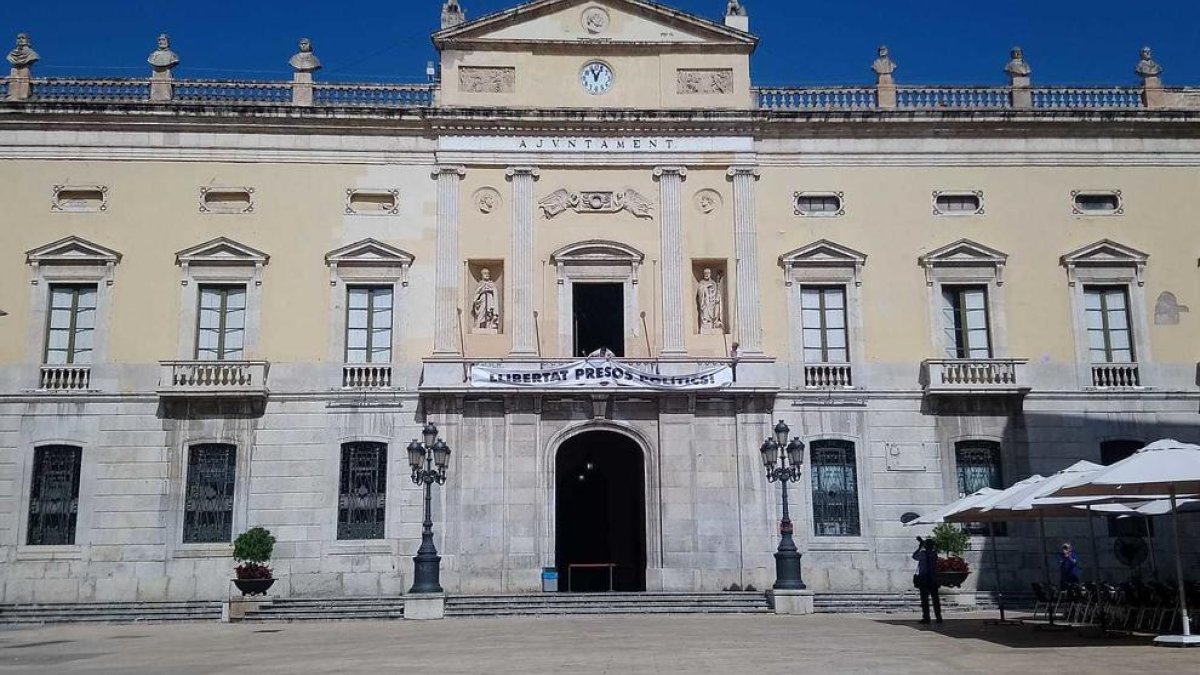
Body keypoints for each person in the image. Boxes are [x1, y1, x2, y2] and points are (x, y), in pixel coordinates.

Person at [913, 537, 943, 624]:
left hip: (924, 579)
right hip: (933, 579)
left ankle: (926, 618)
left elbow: (914, 556)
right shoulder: (934, 554)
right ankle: (938, 617)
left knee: (925, 600)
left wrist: (920, 546)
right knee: (935, 600)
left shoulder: (922, 554)